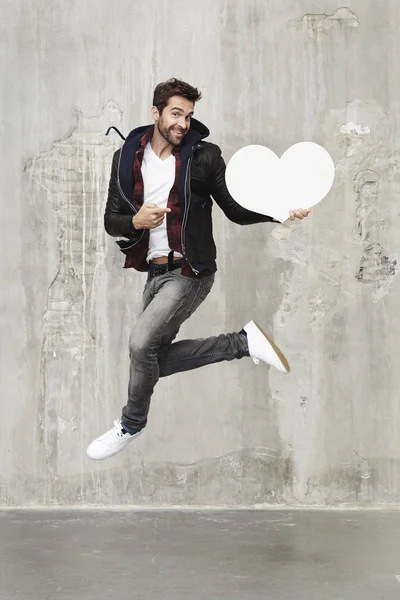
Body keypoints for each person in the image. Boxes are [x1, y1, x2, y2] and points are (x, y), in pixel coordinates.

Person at [86, 78, 310, 460]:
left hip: (190, 271)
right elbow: (112, 220)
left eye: (189, 116)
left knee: (141, 344)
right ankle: (242, 343)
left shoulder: (205, 156)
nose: (183, 123)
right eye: (176, 113)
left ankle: (130, 423)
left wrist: (280, 210)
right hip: (155, 273)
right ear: (155, 113)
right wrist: (136, 221)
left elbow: (235, 210)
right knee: (150, 357)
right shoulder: (126, 158)